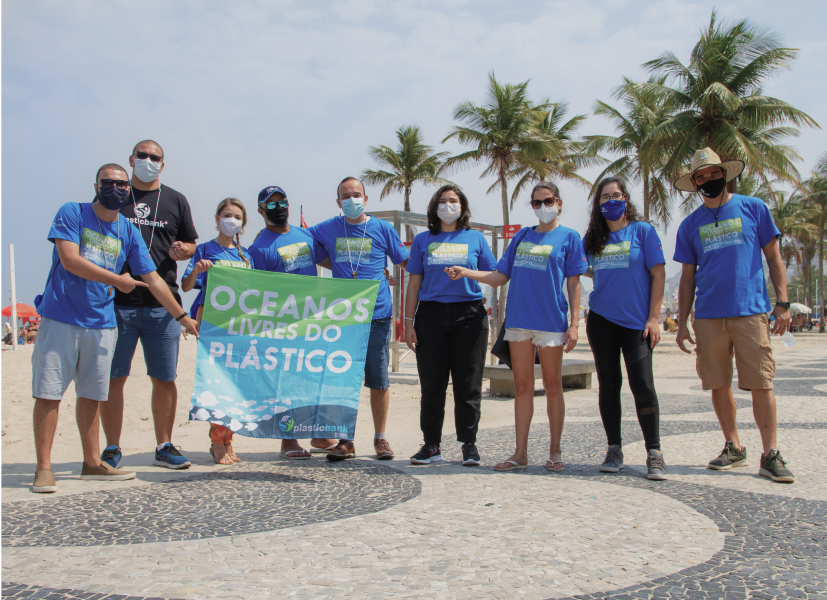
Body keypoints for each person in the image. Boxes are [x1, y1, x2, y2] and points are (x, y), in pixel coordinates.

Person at [31, 163, 199, 494]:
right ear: (96, 184)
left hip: (102, 323)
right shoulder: (73, 213)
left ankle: (92, 462)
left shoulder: (126, 229)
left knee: (92, 395)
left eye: (122, 185)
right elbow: (69, 259)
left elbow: (152, 279)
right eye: (109, 183)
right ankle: (44, 468)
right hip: (61, 318)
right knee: (49, 394)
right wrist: (117, 281)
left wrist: (182, 317)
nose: (117, 189)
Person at [673, 147, 794, 483]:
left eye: (714, 173)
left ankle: (770, 453)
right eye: (701, 176)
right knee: (717, 382)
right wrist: (681, 323)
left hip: (750, 310)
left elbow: (774, 257)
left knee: (761, 382)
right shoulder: (689, 225)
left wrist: (781, 302)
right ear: (694, 183)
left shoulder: (754, 208)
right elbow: (686, 277)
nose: (708, 180)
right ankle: (733, 446)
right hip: (709, 315)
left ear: (725, 174)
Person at [447, 181, 586, 471]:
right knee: (522, 386)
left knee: (552, 385)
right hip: (520, 320)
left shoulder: (570, 238)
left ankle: (555, 451)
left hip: (551, 321)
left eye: (547, 201)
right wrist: (467, 272)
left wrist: (574, 324)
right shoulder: (522, 237)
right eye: (536, 203)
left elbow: (574, 282)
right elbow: (500, 276)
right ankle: (520, 453)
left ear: (558, 202)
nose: (542, 207)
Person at [100, 140, 199, 471]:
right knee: (114, 378)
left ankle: (165, 445)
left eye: (154, 157)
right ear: (131, 159)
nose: (147, 161)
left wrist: (184, 251)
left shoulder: (175, 200)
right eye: (141, 156)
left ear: (163, 163)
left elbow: (190, 244)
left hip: (163, 303)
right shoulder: (115, 195)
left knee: (165, 377)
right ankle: (112, 447)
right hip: (117, 303)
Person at [308, 177, 409, 461]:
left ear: (366, 198)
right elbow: (304, 241)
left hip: (377, 315)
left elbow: (407, 262)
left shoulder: (382, 228)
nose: (351, 199)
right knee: (343, 379)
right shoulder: (328, 227)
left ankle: (380, 438)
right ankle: (345, 440)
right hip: (344, 317)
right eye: (345, 195)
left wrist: (438, 263)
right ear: (338, 202)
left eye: (356, 194)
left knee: (378, 379)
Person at [582, 177, 668, 480]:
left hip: (637, 324)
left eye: (615, 195)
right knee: (609, 385)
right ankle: (614, 448)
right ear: (598, 204)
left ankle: (654, 452)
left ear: (626, 199)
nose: (610, 201)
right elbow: (585, 270)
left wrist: (654, 318)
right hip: (601, 321)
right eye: (604, 197)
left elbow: (658, 274)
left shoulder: (643, 231)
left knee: (643, 384)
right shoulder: (592, 239)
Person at [404, 185, 496, 466]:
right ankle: (431, 445)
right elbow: (414, 283)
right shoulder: (422, 240)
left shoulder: (476, 238)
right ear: (434, 208)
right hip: (430, 317)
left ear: (463, 207)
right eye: (442, 201)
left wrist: (467, 272)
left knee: (468, 385)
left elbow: (495, 275)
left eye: (453, 201)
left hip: (469, 316)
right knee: (432, 385)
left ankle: (469, 444)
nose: (447, 205)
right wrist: (408, 322)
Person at [247, 185, 337, 460]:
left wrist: (365, 271)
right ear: (261, 211)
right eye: (271, 205)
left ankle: (319, 435)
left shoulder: (305, 235)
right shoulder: (258, 248)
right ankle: (288, 440)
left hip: (312, 320)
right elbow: (256, 292)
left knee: (314, 377)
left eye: (282, 202)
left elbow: (329, 262)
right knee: (286, 384)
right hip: (281, 325)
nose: (279, 208)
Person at [182, 198, 254, 464]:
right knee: (216, 383)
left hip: (240, 328)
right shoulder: (204, 249)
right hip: (213, 326)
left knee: (235, 387)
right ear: (216, 218)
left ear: (243, 223)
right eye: (226, 215)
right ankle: (217, 442)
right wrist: (198, 270)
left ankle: (229, 440)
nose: (231, 220)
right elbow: (187, 286)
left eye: (236, 216)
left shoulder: (247, 256)